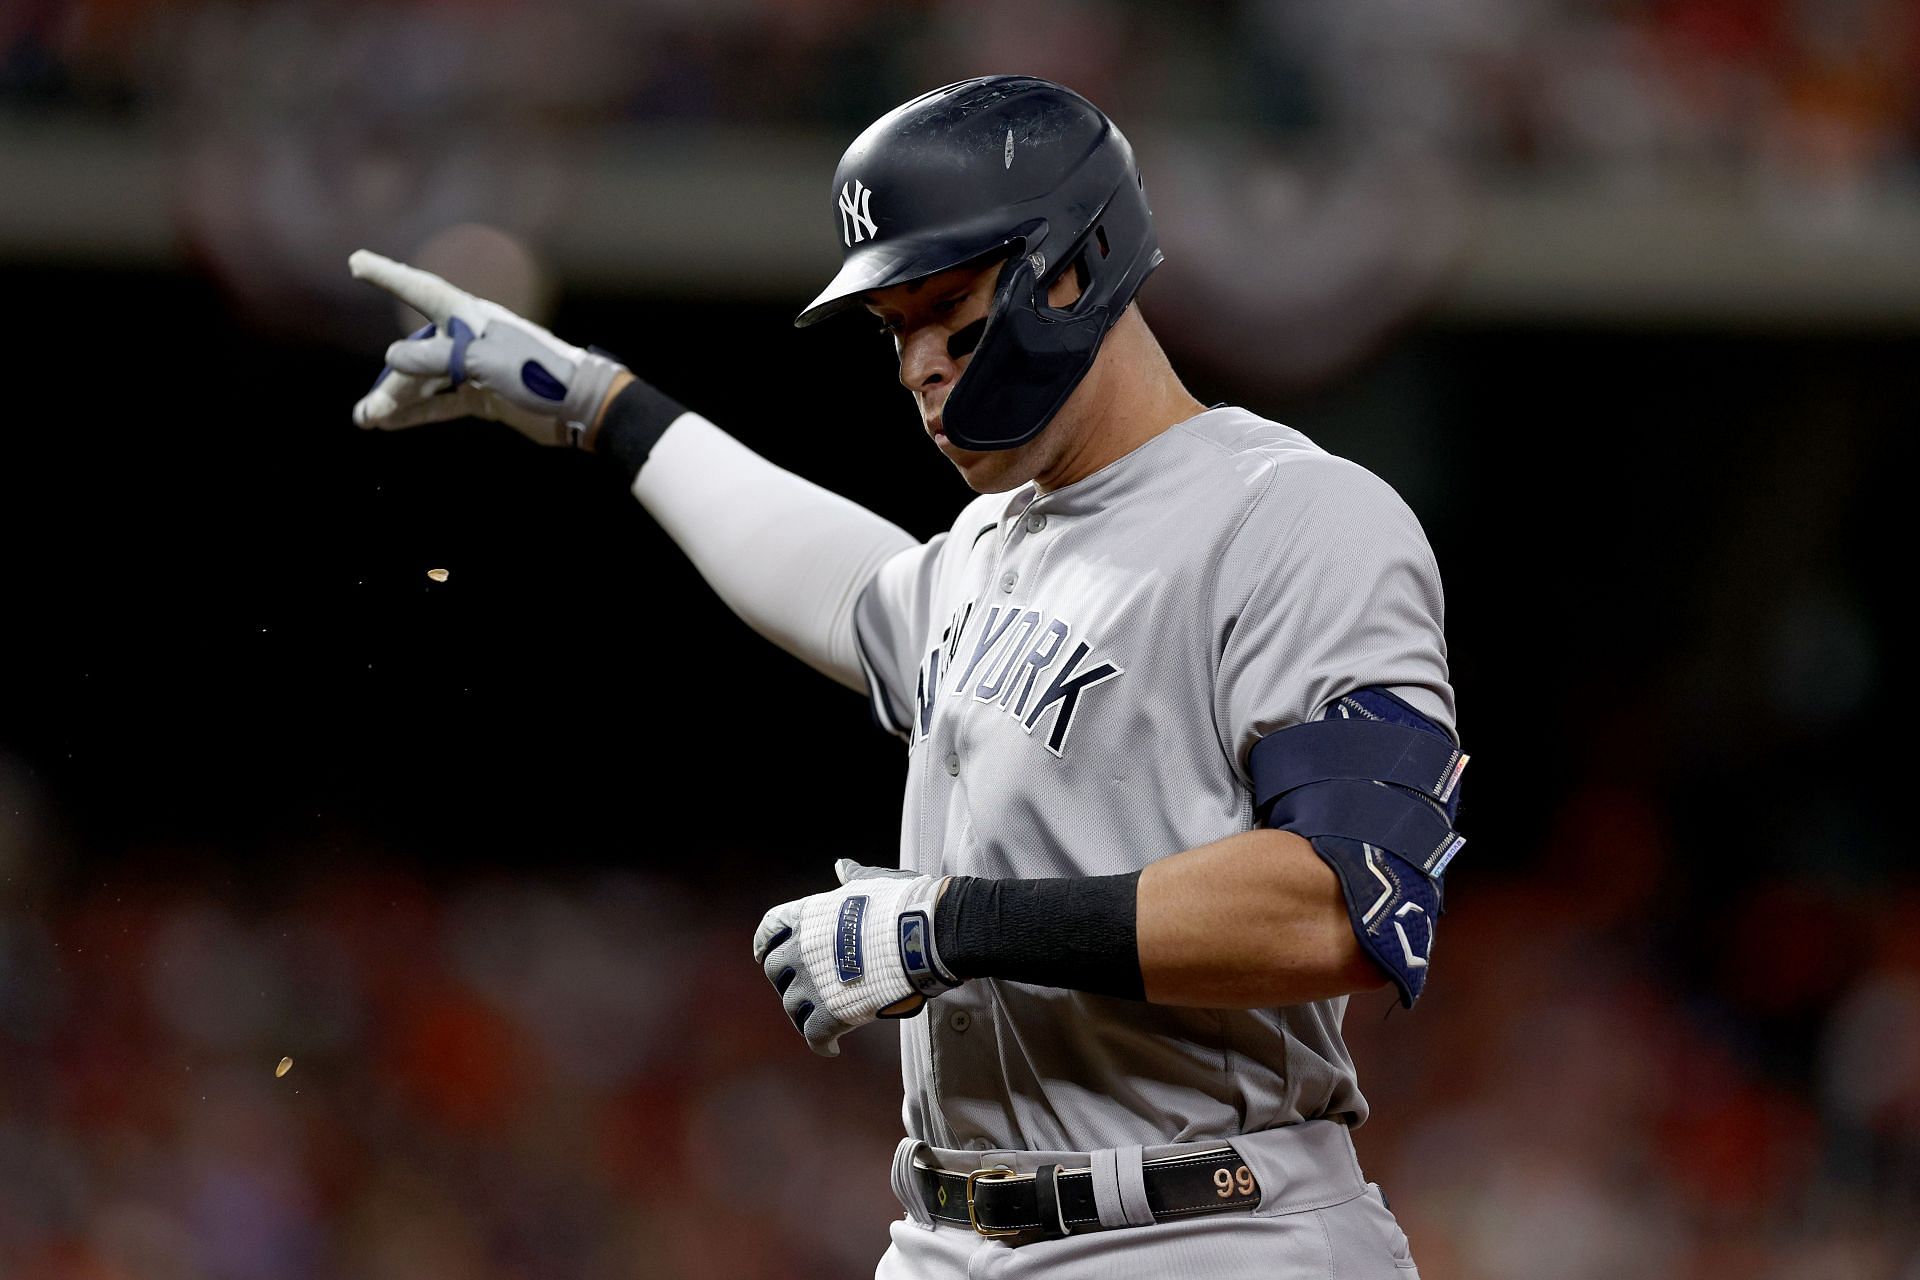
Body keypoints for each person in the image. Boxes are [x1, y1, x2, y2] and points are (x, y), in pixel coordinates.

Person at [349, 75, 1466, 1279]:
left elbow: (1345, 900)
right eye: (896, 331)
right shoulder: (994, 548)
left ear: (1079, 265)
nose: (921, 367)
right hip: (948, 1236)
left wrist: (950, 924)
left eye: (951, 314)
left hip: (1211, 1229)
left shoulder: (1292, 513)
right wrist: (596, 400)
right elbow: (831, 576)